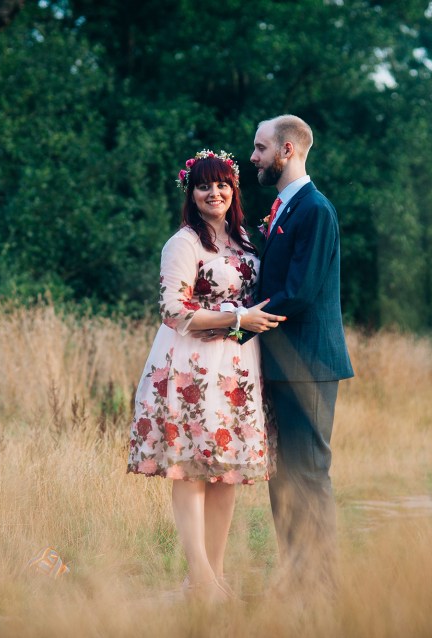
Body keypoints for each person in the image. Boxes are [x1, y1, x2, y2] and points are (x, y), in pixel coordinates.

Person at [127, 149, 286, 602]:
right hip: (191, 366)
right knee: (191, 469)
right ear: (191, 193)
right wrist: (238, 319)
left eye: (221, 184)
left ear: (233, 188)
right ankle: (200, 578)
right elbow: (173, 311)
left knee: (225, 473)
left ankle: (212, 578)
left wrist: (247, 323)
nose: (213, 192)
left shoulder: (247, 240)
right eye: (203, 185)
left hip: (237, 368)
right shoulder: (184, 243)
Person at [249, 115, 354, 589]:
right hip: (282, 364)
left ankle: (323, 587)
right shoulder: (284, 208)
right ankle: (296, 575)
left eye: (260, 148)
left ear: (287, 150)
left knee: (307, 473)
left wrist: (235, 325)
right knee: (283, 475)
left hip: (307, 364)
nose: (253, 157)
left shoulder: (314, 209)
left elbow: (299, 292)